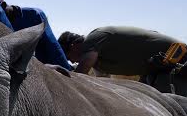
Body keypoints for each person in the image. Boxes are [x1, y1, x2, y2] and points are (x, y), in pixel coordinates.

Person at [59, 27, 187, 78]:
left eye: (69, 57)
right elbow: (101, 81)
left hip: (178, 56)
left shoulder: (93, 39)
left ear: (73, 45)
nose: (72, 62)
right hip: (161, 70)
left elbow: (80, 73)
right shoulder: (98, 61)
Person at [0, 0, 71, 69]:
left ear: (4, 5)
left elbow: (53, 47)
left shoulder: (33, 15)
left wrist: (65, 69)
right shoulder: (1, 23)